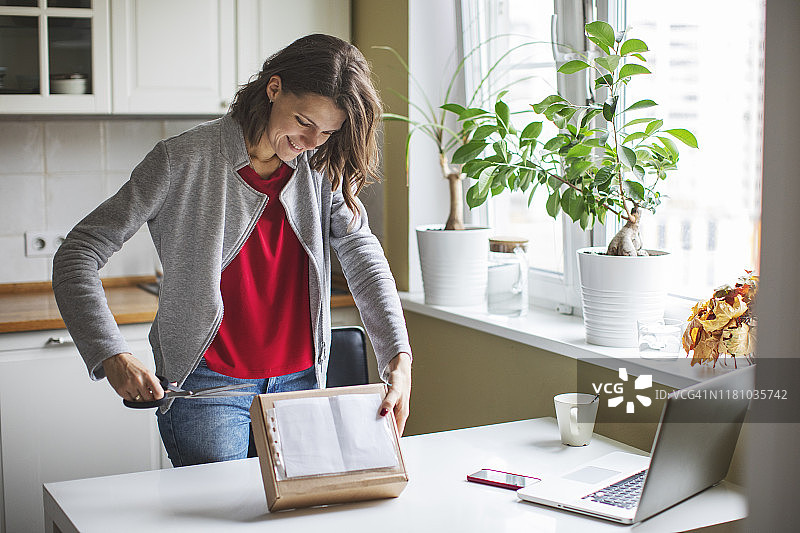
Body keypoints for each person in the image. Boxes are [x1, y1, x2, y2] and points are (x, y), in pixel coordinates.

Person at [52, 34, 412, 467]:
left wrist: (398, 358)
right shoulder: (180, 159)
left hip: (300, 383)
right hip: (207, 391)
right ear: (273, 88)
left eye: (328, 131)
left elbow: (363, 256)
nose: (313, 142)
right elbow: (77, 254)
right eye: (303, 121)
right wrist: (112, 353)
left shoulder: (319, 167)